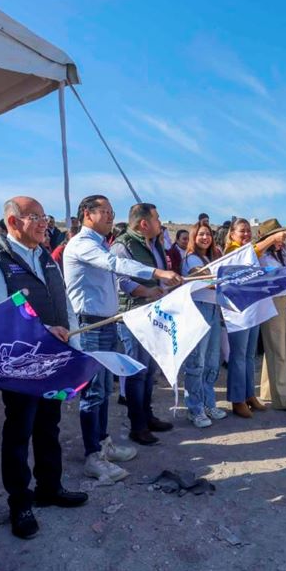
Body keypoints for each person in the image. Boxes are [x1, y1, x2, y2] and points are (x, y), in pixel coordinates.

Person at [0, 197, 89, 539]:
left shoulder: (45, 258)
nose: (43, 223)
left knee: (49, 426)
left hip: (53, 358)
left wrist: (75, 347)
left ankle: (50, 488)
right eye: (34, 217)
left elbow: (63, 302)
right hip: (19, 364)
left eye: (44, 216)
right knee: (19, 431)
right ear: (12, 222)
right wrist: (40, 331)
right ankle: (19, 503)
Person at [63, 195, 182, 482]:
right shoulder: (82, 244)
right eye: (104, 211)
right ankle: (94, 456)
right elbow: (115, 265)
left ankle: (103, 444)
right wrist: (156, 272)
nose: (110, 216)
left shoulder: (98, 243)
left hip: (105, 325)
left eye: (111, 212)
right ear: (86, 214)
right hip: (89, 326)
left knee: (104, 390)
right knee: (93, 393)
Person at [110, 203, 175, 445]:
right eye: (157, 219)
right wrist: (146, 291)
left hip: (153, 313)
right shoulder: (122, 245)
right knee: (137, 372)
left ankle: (147, 416)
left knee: (149, 371)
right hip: (133, 314)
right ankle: (137, 426)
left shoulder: (155, 244)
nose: (161, 223)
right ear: (144, 223)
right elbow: (121, 281)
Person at [181, 222, 229, 427]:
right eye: (201, 234)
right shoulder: (191, 258)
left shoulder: (213, 258)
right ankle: (195, 408)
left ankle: (209, 402)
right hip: (198, 310)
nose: (205, 237)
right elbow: (203, 276)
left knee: (212, 361)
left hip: (213, 309)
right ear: (194, 237)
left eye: (208, 234)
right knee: (196, 362)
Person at [222, 218, 271, 418]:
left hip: (253, 308)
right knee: (238, 356)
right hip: (238, 312)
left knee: (250, 356)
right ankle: (237, 399)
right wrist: (273, 238)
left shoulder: (250, 252)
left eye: (249, 231)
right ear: (232, 234)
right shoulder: (232, 252)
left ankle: (249, 394)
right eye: (242, 231)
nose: (246, 234)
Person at [255, 218, 286, 414]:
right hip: (271, 303)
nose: (282, 240)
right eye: (278, 236)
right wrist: (272, 238)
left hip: (281, 301)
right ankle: (283, 399)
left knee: (275, 348)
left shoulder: (277, 255)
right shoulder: (261, 255)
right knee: (279, 351)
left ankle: (268, 391)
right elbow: (252, 251)